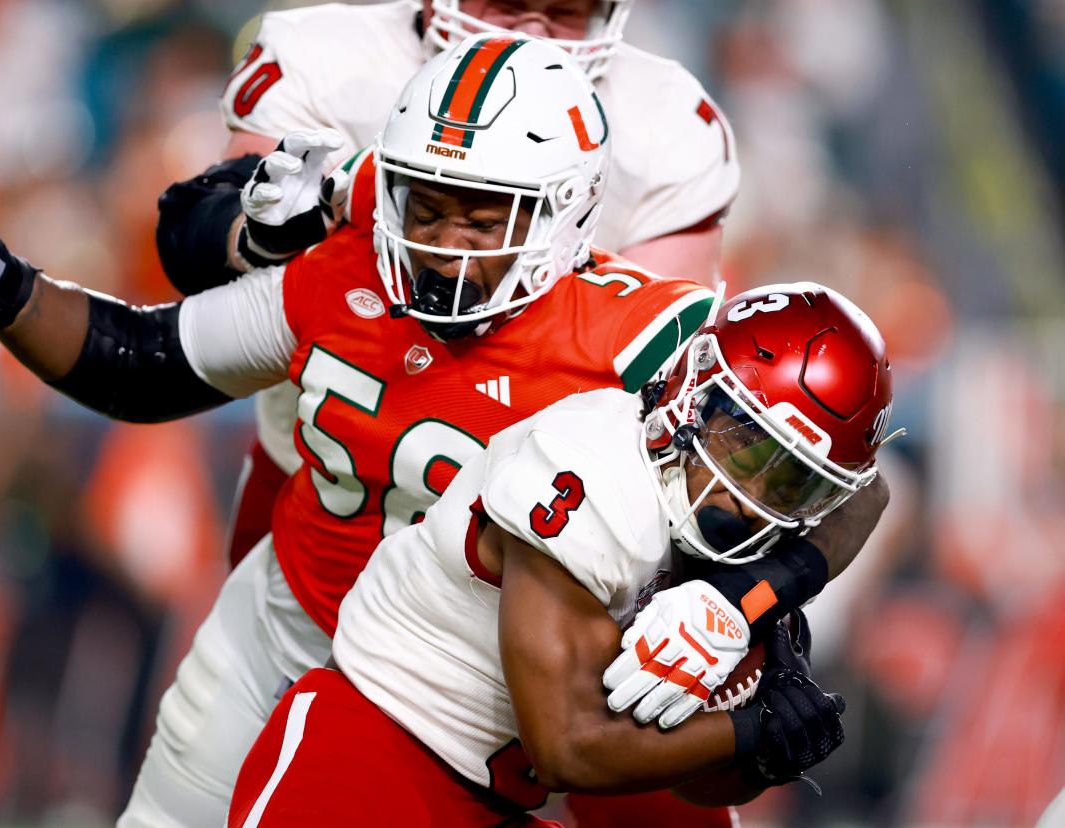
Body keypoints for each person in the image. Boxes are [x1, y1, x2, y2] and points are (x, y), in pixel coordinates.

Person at [0, 33, 880, 828]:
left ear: (567, 210)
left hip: (506, 697)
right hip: (291, 642)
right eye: (427, 202)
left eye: (484, 214)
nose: (444, 240)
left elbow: (837, 481)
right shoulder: (345, 274)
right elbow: (144, 365)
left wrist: (756, 611)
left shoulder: (649, 333)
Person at [228, 281, 893, 826]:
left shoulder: (737, 536)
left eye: (791, 479)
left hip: (492, 800)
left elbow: (869, 496)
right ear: (695, 392)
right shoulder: (597, 475)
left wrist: (754, 599)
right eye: (744, 446)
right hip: (369, 761)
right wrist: (755, 728)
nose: (750, 497)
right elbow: (567, 749)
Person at [157, 0, 740, 570]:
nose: (536, 29)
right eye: (506, 5)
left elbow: (650, 387)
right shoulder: (322, 54)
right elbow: (200, 239)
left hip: (519, 533)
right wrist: (256, 232)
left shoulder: (672, 124)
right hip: (318, 465)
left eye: (566, 11)